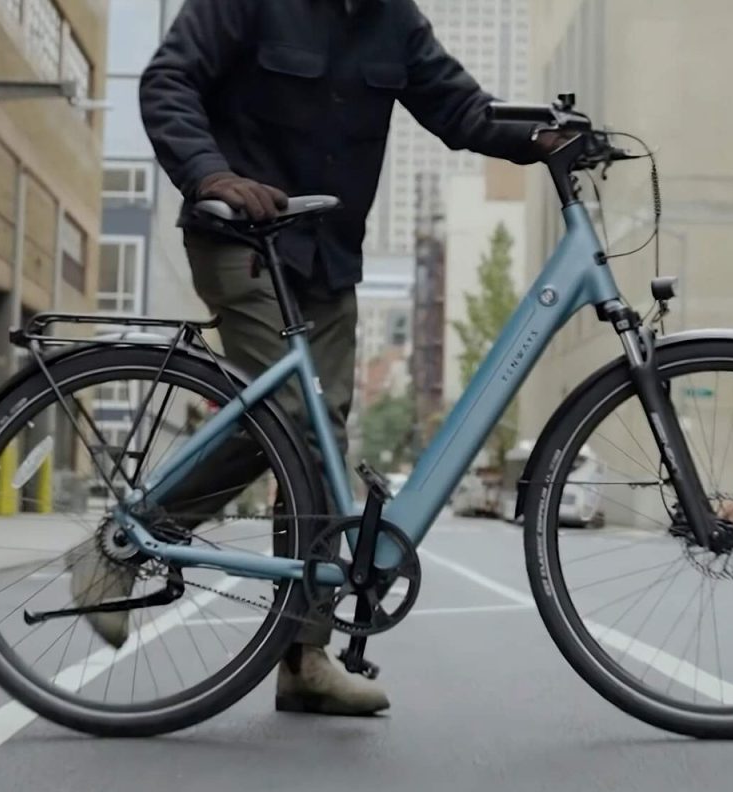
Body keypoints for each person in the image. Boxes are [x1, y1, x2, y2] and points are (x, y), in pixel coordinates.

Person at [71, 0, 565, 717]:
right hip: (242, 238)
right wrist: (210, 176)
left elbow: (465, 113)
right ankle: (121, 546)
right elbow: (168, 81)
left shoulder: (395, 20)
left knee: (319, 440)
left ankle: (304, 657)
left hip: (329, 261)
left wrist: (548, 136)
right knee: (289, 419)